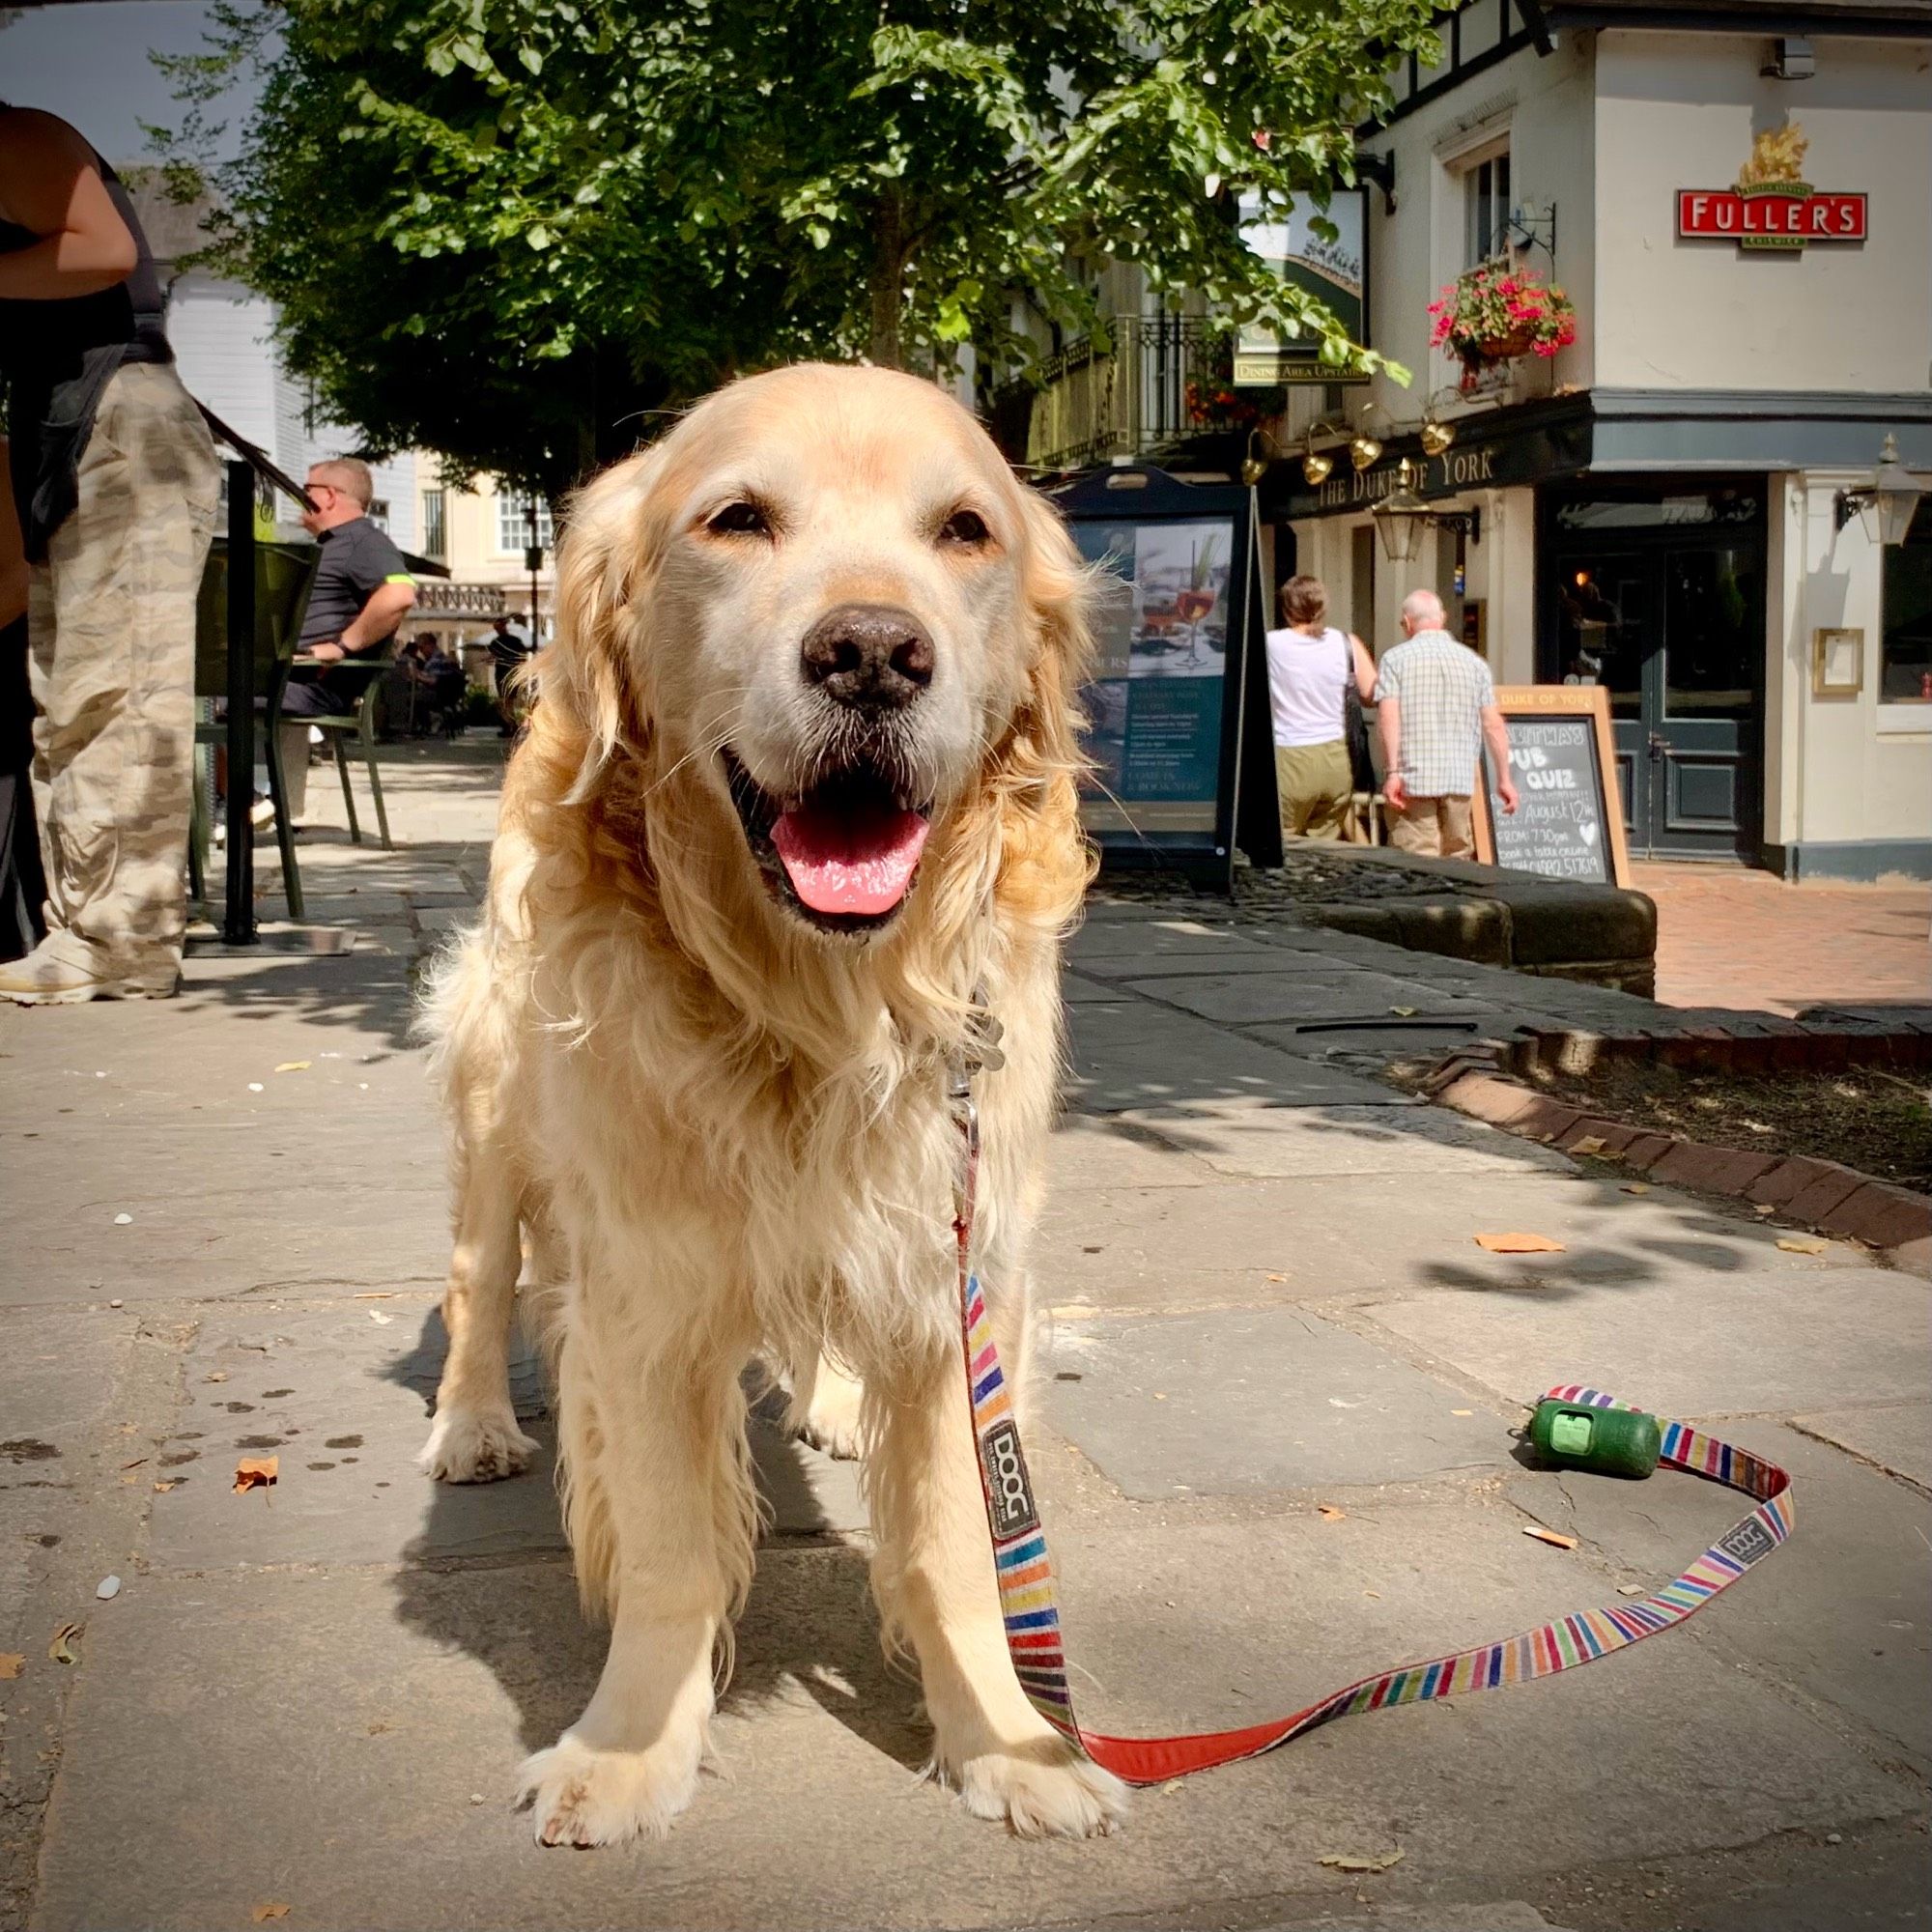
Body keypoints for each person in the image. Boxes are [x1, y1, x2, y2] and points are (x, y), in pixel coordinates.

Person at [0, 104, 220, 1004]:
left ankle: (118, 944)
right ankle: (88, 931)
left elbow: (101, 249)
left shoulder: (16, 137)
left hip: (122, 427)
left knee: (119, 694)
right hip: (78, 425)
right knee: (72, 697)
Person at [276, 456, 415, 818]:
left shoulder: (362, 541)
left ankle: (251, 802)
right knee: (228, 684)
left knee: (221, 693)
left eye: (305, 491)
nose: (298, 498)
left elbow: (400, 593)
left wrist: (342, 645)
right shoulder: (333, 544)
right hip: (292, 676)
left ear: (329, 497)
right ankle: (265, 801)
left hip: (315, 684)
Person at [1375, 587, 1519, 858]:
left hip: (1412, 779)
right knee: (1458, 862)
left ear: (1406, 622)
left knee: (1416, 861)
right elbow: (1493, 725)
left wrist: (1392, 772)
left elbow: (1388, 717)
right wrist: (1504, 779)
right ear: (1442, 618)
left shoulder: (1394, 660)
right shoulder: (1475, 664)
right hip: (1459, 780)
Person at [1264, 574, 1378, 842]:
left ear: (1286, 610)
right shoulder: (1347, 643)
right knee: (1324, 849)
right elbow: (1372, 694)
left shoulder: (1271, 644)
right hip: (1336, 760)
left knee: (1283, 845)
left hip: (1289, 758)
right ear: (1323, 608)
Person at [487, 612, 530, 736]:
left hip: (505, 673)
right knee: (509, 701)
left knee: (507, 701)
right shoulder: (511, 641)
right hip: (509, 673)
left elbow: (493, 657)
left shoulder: (499, 642)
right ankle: (511, 725)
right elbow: (523, 656)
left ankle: (511, 725)